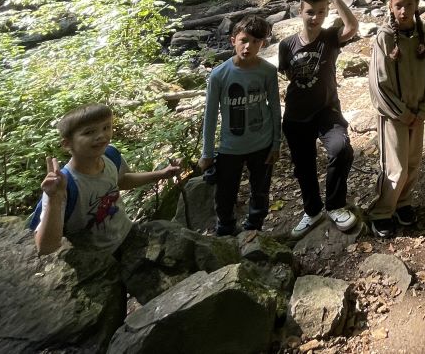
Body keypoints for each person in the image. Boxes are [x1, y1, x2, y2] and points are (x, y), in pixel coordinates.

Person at [30, 104, 181, 256]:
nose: (102, 136)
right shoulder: (63, 184)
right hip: (98, 259)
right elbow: (45, 247)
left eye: (106, 127)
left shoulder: (110, 155)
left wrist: (162, 174)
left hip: (128, 234)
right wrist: (54, 199)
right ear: (67, 144)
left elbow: (122, 181)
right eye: (89, 132)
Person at [279, 0, 359, 239]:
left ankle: (335, 205)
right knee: (304, 166)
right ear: (300, 11)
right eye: (310, 12)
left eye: (321, 12)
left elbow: (352, 27)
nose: (315, 17)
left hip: (327, 110)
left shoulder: (329, 38)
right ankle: (312, 210)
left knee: (341, 149)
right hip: (296, 116)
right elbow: (288, 74)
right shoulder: (286, 45)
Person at [367, 0, 425, 238]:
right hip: (394, 115)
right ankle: (382, 211)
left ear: (417, 4)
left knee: (413, 161)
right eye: (398, 6)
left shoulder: (424, 34)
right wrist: (403, 113)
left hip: (417, 113)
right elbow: (378, 84)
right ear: (390, 5)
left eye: (409, 5)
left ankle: (403, 203)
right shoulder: (384, 39)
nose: (404, 11)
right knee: (395, 166)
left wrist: (422, 110)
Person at [199, 14, 281, 236]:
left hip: (262, 143)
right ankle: (225, 229)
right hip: (230, 147)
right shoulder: (219, 75)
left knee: (260, 191)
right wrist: (207, 153)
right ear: (233, 40)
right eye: (244, 40)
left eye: (255, 42)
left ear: (263, 43)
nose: (248, 47)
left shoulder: (267, 71)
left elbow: (274, 106)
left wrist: (276, 144)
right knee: (225, 192)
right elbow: (210, 116)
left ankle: (254, 228)